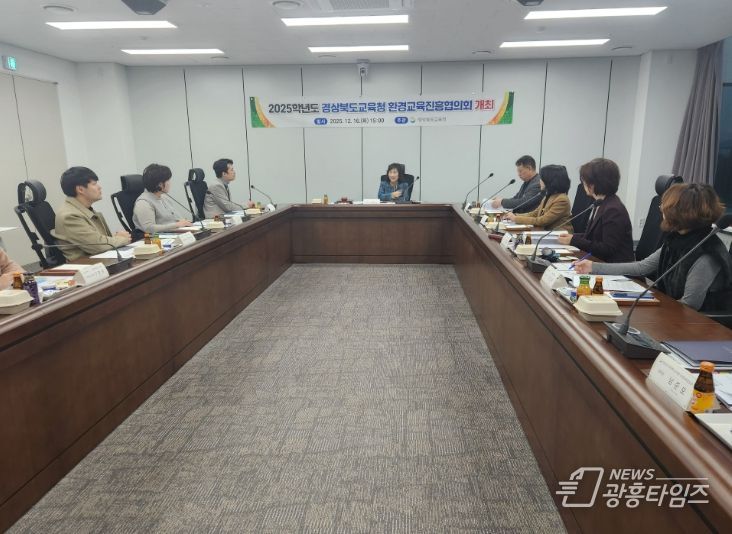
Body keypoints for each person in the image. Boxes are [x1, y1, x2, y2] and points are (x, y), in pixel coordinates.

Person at [574, 184, 732, 311]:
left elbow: (689, 305)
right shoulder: (678, 239)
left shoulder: (707, 253)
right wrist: (593, 267)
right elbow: (642, 267)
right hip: (671, 314)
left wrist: (651, 308)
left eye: (665, 205)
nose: (661, 208)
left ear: (681, 212)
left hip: (699, 327)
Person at [557, 158, 634, 263]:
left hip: (614, 267)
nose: (583, 184)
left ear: (593, 184)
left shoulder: (613, 209)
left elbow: (607, 249)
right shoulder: (601, 203)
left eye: (584, 181)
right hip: (599, 261)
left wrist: (574, 240)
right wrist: (572, 237)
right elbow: (593, 237)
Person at [53, 166, 132, 261]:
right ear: (80, 189)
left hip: (100, 261)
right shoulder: (69, 216)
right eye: (94, 184)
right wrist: (122, 239)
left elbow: (98, 240)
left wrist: (117, 238)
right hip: (87, 265)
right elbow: (98, 246)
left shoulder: (84, 209)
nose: (99, 187)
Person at [503, 164, 573, 232]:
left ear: (549, 181)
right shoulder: (549, 196)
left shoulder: (561, 200)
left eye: (542, 179)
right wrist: (514, 215)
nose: (539, 181)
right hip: (545, 232)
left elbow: (543, 221)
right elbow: (535, 213)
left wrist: (516, 218)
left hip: (560, 236)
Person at [133, 164, 192, 234]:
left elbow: (175, 217)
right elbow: (149, 228)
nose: (170, 183)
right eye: (168, 180)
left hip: (173, 233)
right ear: (160, 184)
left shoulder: (163, 197)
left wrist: (183, 222)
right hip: (156, 237)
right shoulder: (143, 203)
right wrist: (177, 225)